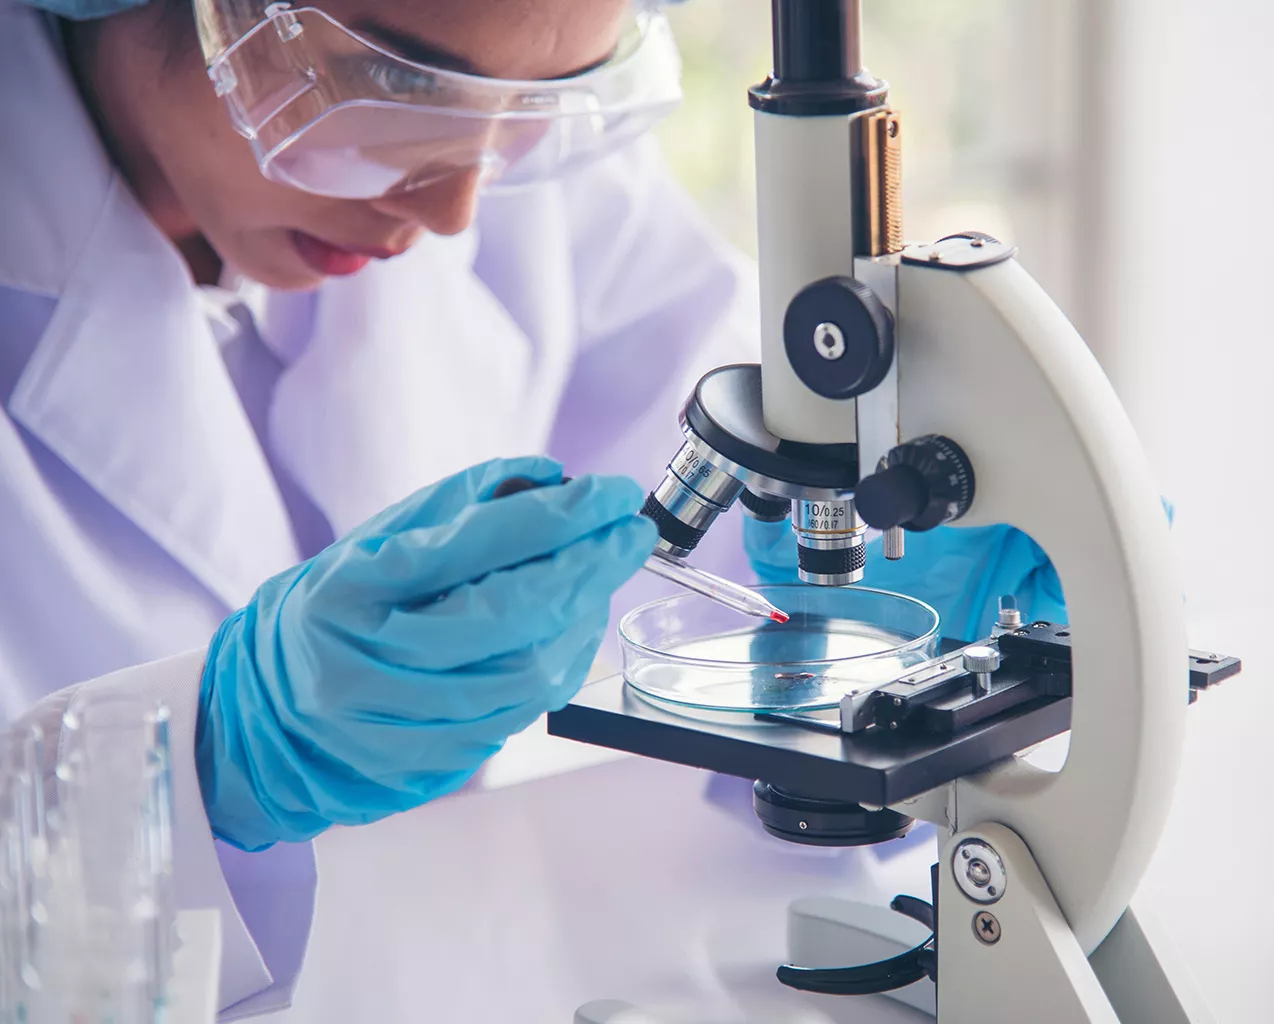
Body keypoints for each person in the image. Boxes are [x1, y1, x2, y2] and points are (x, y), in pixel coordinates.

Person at [0, 0, 1064, 1013]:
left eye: (536, 104)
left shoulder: (516, 155)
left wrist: (894, 581)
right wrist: (199, 766)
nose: (455, 208)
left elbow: (730, 446)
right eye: (389, 79)